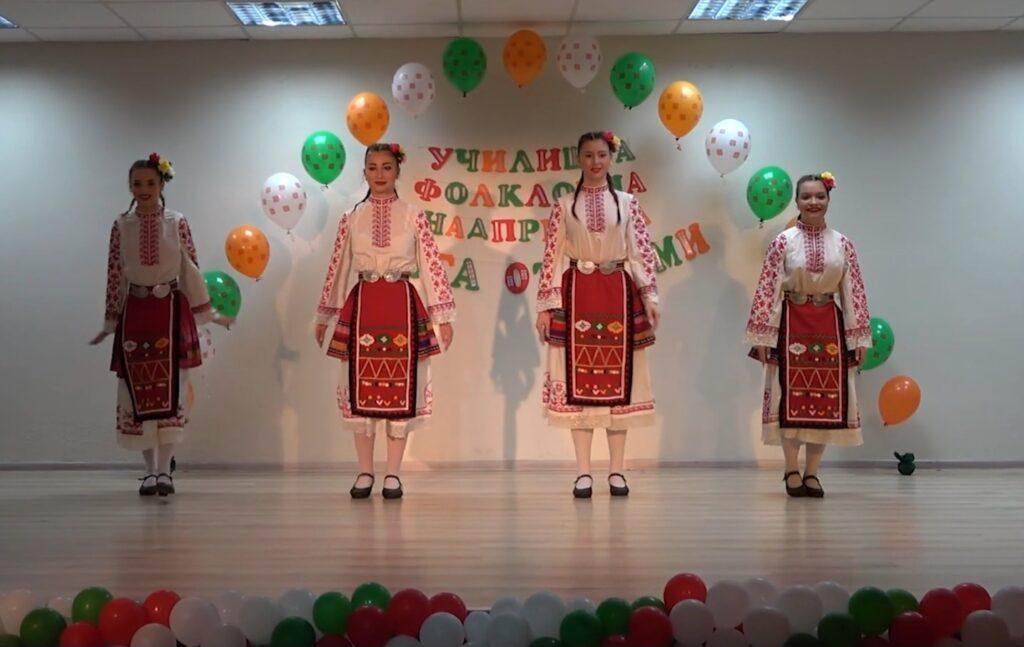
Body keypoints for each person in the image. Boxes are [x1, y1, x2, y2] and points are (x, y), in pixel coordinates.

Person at [315, 143, 456, 500]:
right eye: (373, 167)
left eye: (386, 167)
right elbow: (338, 267)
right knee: (357, 387)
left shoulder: (414, 215)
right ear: (364, 172)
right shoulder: (351, 217)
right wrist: (325, 314)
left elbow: (431, 265)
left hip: (401, 305)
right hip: (363, 305)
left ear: (397, 171)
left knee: (401, 388)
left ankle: (393, 473)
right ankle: (365, 471)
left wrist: (443, 315)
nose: (379, 174)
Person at [90, 153, 231, 496]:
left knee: (172, 390)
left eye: (150, 183)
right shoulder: (121, 225)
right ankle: (149, 471)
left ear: (162, 184)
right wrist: (110, 320)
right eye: (137, 183)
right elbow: (114, 273)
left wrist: (209, 313)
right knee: (136, 391)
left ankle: (166, 470)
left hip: (169, 311)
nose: (143, 189)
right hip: (135, 314)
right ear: (129, 186)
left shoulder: (176, 221)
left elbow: (190, 266)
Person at [535, 131, 660, 498]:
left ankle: (617, 470)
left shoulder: (627, 203)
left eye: (602, 155)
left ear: (611, 158)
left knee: (621, 385)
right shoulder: (564, 205)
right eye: (588, 155)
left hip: (617, 293)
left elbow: (640, 252)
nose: (595, 162)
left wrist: (650, 295)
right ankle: (583, 472)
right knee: (578, 387)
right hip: (577, 294)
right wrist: (546, 306)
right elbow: (552, 256)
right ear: (579, 158)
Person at [746, 172, 872, 498]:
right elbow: (767, 289)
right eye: (806, 196)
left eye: (819, 196)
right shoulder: (783, 242)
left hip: (829, 325)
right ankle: (791, 468)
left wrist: (858, 337)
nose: (813, 202)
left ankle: (812, 472)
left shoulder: (842, 244)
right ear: (797, 201)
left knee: (826, 400)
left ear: (828, 199)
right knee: (789, 397)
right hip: (791, 323)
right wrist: (763, 336)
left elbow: (854, 291)